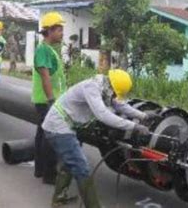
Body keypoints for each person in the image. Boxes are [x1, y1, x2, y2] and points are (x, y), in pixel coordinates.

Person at [43, 70, 155, 207]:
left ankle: (58, 199)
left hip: (67, 125)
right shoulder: (91, 88)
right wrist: (134, 126)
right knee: (82, 168)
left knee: (69, 162)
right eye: (114, 92)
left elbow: (119, 105)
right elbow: (103, 115)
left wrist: (143, 116)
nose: (114, 96)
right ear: (111, 86)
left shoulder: (104, 87)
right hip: (58, 127)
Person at [32, 12, 67, 184]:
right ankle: (49, 174)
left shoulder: (48, 49)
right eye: (59, 29)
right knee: (50, 137)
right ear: (50, 30)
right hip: (47, 101)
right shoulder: (43, 50)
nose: (62, 33)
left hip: (47, 100)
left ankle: (40, 170)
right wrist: (52, 100)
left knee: (42, 135)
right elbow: (45, 77)